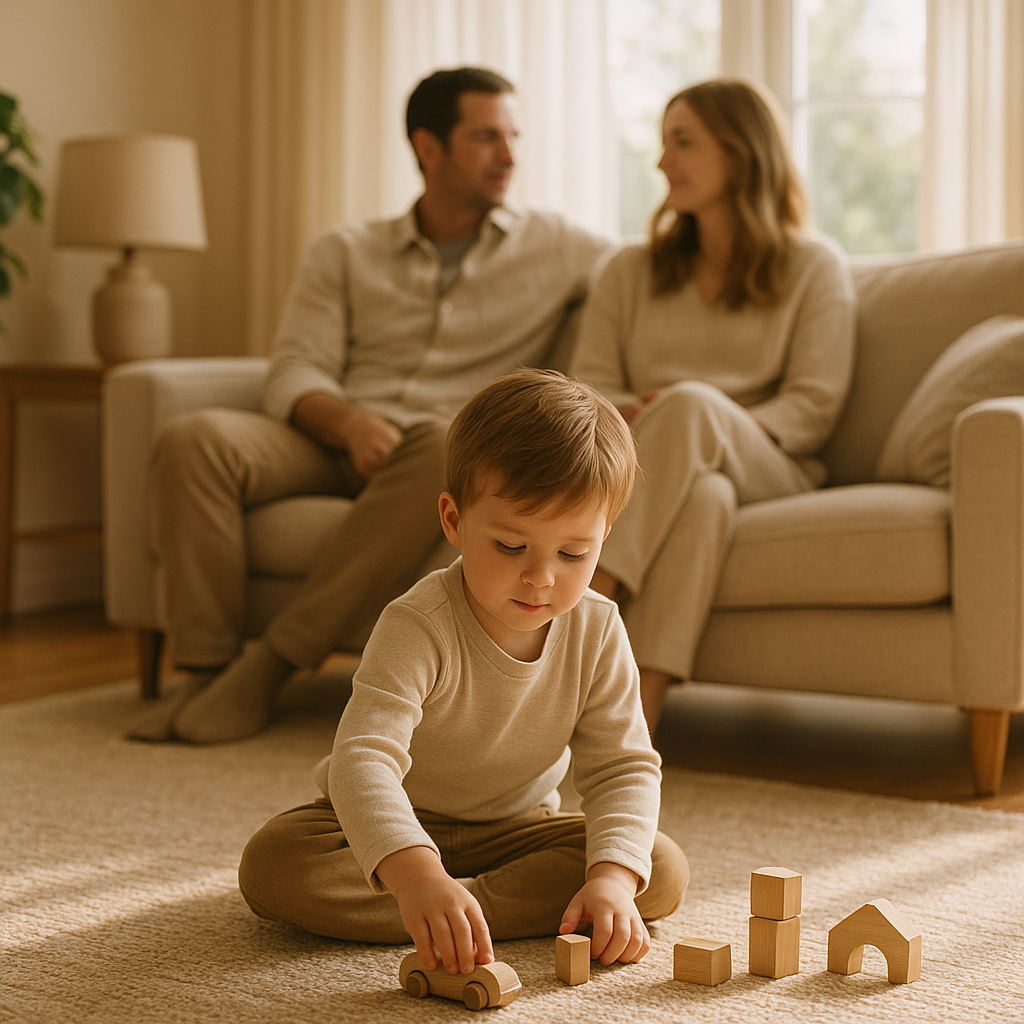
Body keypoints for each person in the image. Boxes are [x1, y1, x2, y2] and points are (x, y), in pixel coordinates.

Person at [130, 66, 610, 744]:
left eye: (512, 137)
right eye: (486, 137)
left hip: (436, 451)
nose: (509, 156)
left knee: (441, 438)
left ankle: (269, 666)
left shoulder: (561, 247)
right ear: (428, 148)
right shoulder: (346, 251)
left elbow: (645, 285)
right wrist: (351, 425)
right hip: (333, 438)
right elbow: (294, 369)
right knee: (194, 439)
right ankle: (205, 672)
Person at [236, 369, 688, 972]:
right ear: (453, 521)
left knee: (655, 868)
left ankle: (462, 912)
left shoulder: (599, 627)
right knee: (275, 866)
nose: (541, 577)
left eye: (574, 554)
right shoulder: (417, 622)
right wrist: (416, 873)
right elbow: (363, 760)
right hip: (400, 816)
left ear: (605, 536)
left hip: (517, 828)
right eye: (510, 546)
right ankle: (442, 902)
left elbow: (623, 767)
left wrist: (610, 880)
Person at [573, 78, 856, 732]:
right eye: (663, 142)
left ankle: (578, 611)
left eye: (683, 142)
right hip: (661, 465)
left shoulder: (815, 267)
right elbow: (585, 390)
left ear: (741, 153)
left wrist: (700, 417)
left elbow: (812, 409)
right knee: (706, 500)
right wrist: (655, 416)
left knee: (694, 407)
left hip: (775, 469)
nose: (663, 161)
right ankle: (627, 724)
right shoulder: (628, 271)